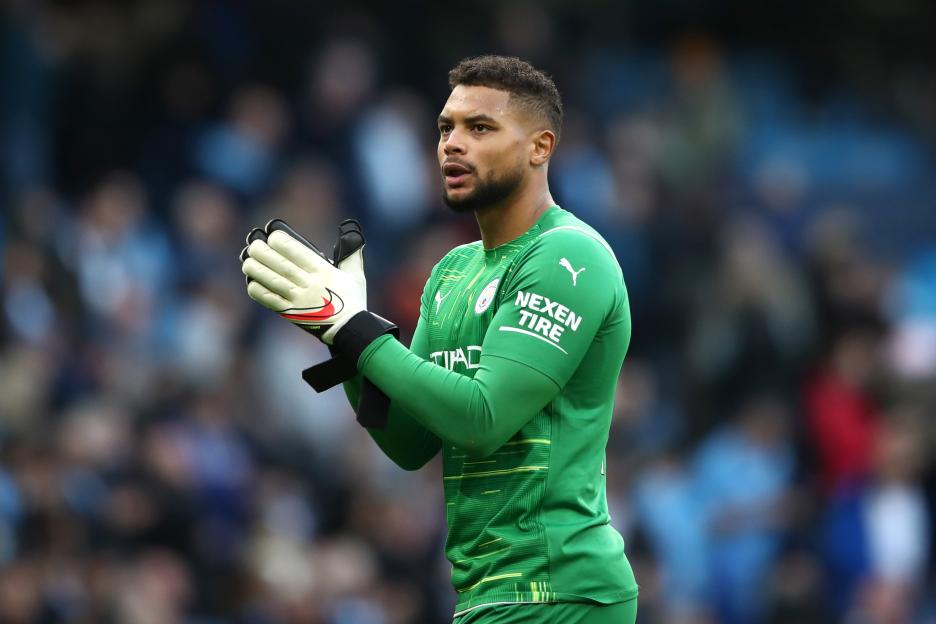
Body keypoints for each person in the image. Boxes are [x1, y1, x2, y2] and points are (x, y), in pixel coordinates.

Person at [241, 55, 638, 623]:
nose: (453, 144)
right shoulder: (451, 272)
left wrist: (355, 329)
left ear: (540, 147)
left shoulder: (566, 255)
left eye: (480, 128)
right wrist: (339, 339)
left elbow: (482, 420)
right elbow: (410, 443)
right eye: (445, 128)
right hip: (488, 592)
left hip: (557, 589)